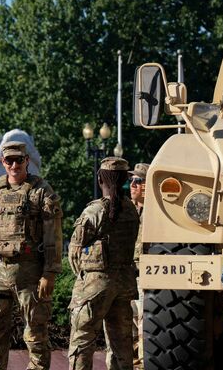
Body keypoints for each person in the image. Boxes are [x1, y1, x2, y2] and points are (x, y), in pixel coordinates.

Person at [0, 141, 62, 370]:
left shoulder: (41, 191)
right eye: (9, 160)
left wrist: (49, 273)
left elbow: (53, 236)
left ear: (26, 160)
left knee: (36, 333)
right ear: (2, 162)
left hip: (29, 273)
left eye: (18, 160)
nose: (14, 165)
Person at [68, 157, 140, 370]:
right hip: (124, 283)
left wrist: (83, 275)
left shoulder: (95, 210)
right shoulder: (131, 209)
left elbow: (74, 252)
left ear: (100, 179)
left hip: (95, 283)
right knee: (122, 343)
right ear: (125, 180)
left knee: (82, 338)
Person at [127, 162, 149, 366]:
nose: (132, 185)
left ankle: (142, 364)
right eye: (131, 180)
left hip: (146, 275)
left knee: (144, 321)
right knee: (129, 320)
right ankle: (132, 362)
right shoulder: (127, 210)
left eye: (138, 180)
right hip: (127, 273)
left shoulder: (156, 213)